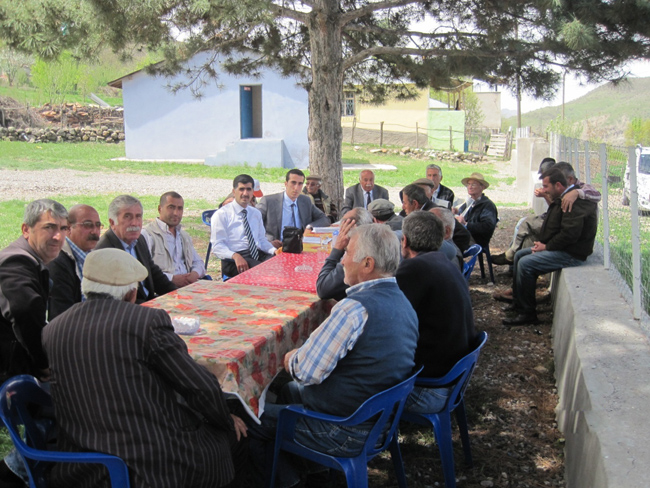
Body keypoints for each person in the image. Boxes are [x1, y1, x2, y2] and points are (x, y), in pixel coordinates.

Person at [42, 249, 248, 488]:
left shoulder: (52, 330)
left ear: (85, 286)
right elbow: (200, 387)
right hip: (151, 466)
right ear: (132, 293)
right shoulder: (146, 322)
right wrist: (226, 418)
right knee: (238, 436)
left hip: (84, 467)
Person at [251, 224, 418, 488]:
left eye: (347, 253)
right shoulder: (403, 301)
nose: (341, 259)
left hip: (346, 429)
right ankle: (314, 471)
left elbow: (306, 371)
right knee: (289, 393)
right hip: (379, 420)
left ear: (367, 263)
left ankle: (290, 480)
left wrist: (290, 357)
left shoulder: (354, 309)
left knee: (250, 420)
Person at [0, 199, 68, 487]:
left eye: (63, 228)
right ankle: (22, 471)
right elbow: (24, 311)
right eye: (49, 228)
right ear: (26, 229)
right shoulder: (16, 262)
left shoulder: (33, 261)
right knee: (72, 399)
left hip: (17, 364)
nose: (58, 236)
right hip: (9, 372)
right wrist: (44, 364)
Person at [396, 211, 477, 412]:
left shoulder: (414, 269)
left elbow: (388, 320)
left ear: (404, 241)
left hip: (431, 389)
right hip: (452, 377)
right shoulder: (442, 262)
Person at [503, 167, 598, 325]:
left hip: (572, 253)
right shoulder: (564, 196)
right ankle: (519, 302)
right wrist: (545, 244)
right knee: (520, 255)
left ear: (559, 185)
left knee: (526, 264)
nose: (544, 189)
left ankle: (527, 314)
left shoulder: (573, 201)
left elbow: (570, 234)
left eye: (546, 186)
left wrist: (547, 247)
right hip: (560, 247)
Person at [492, 160, 601, 265]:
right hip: (555, 223)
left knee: (525, 224)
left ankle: (510, 256)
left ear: (570, 179)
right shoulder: (561, 190)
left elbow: (597, 195)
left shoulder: (580, 190)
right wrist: (545, 195)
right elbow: (553, 209)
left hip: (572, 248)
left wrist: (577, 192)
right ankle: (514, 263)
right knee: (526, 237)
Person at [95, 194, 177, 302]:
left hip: (150, 303)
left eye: (138, 216)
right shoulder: (105, 251)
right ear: (112, 222)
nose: (134, 223)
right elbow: (117, 299)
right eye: (127, 216)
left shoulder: (139, 240)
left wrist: (176, 295)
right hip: (130, 311)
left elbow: (153, 273)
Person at [211, 174, 278, 277]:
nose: (245, 193)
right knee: (264, 272)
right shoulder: (222, 215)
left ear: (252, 192)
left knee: (279, 264)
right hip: (233, 259)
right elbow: (217, 246)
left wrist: (275, 251)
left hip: (256, 254)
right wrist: (235, 256)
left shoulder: (255, 213)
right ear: (234, 191)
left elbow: (261, 240)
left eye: (248, 189)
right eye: (241, 189)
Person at [48, 204, 102, 320]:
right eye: (88, 225)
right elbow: (61, 315)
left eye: (98, 225)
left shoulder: (92, 254)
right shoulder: (58, 263)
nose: (95, 231)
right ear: (68, 228)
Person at [142, 191, 206, 287]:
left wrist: (194, 274)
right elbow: (143, 270)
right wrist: (171, 279)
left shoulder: (184, 236)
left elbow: (198, 262)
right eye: (171, 208)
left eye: (180, 209)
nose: (176, 213)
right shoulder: (147, 234)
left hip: (188, 286)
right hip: (163, 289)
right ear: (160, 209)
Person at [257, 169, 330, 246]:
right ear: (286, 184)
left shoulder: (305, 201)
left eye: (300, 184)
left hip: (300, 246)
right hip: (276, 247)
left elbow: (324, 219)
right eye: (293, 183)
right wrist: (267, 242)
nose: (296, 188)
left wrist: (310, 227)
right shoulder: (269, 201)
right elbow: (252, 223)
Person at [315, 208, 374, 301]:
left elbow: (323, 289)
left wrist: (338, 248)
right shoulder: (377, 242)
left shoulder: (357, 254)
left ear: (347, 231)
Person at [455, 172, 498, 250]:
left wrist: (466, 224)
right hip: (464, 234)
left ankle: (456, 260)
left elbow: (487, 226)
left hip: (476, 239)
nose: (470, 187)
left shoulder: (487, 205)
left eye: (473, 184)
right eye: (468, 184)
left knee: (450, 241)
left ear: (482, 187)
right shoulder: (469, 202)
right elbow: (459, 214)